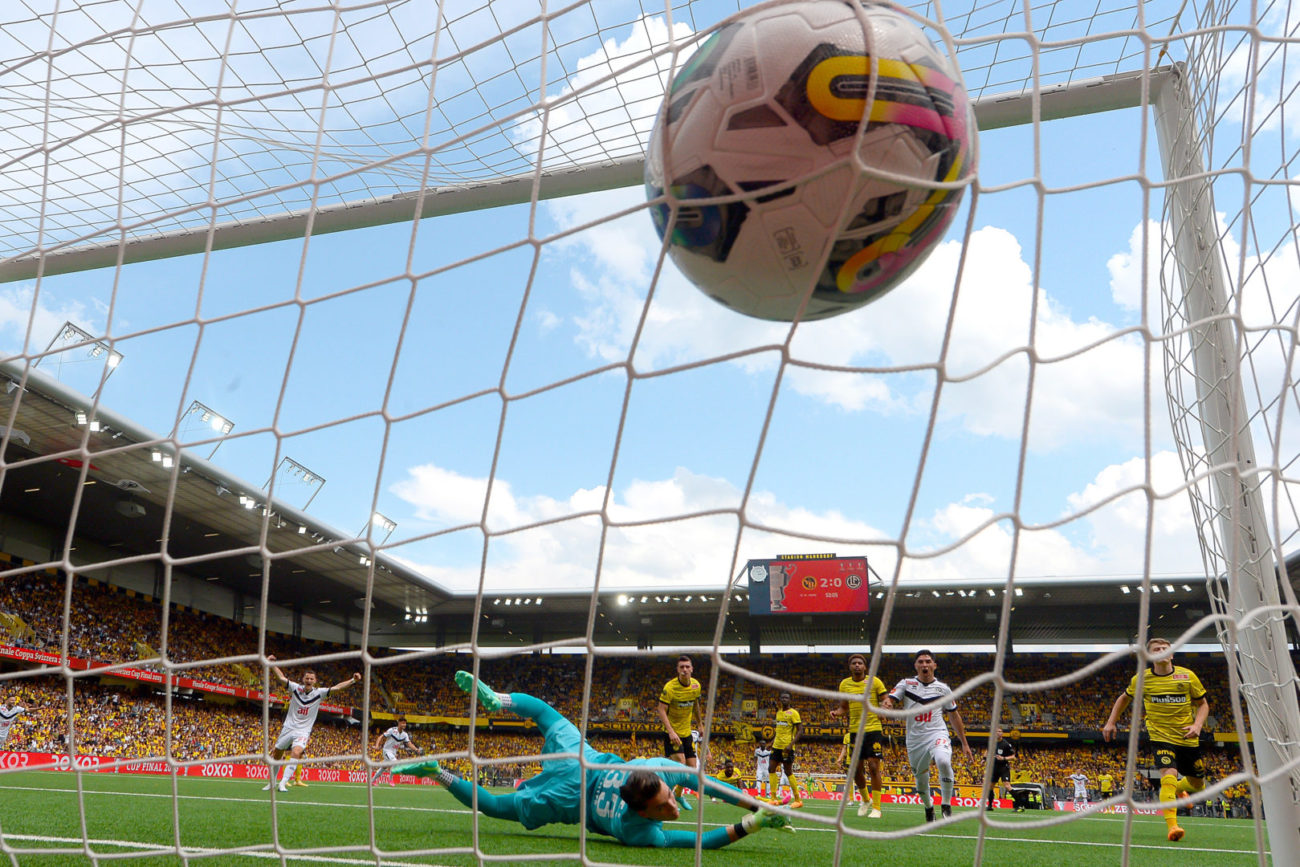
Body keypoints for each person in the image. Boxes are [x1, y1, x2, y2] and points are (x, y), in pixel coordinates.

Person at [396, 671, 794, 849]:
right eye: (664, 806)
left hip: (583, 760)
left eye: (670, 797)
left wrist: (759, 807)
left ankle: (493, 706)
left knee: (545, 717)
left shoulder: (658, 772)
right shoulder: (632, 829)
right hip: (571, 801)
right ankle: (439, 770)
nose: (674, 805)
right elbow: (699, 842)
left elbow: (708, 786)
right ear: (641, 810)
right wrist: (752, 822)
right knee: (496, 806)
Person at [1103, 636, 1209, 843]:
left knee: (1198, 785)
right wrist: (1111, 722)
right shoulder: (1141, 679)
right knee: (1168, 775)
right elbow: (1124, 698)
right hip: (1160, 736)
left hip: (1187, 738)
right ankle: (1173, 827)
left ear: (1171, 654)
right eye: (1156, 648)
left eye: (1164, 648)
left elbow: (1203, 704)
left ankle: (1179, 789)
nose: (1161, 650)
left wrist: (1197, 725)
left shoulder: (1187, 676)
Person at [882, 649, 972, 823]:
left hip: (937, 732)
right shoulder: (906, 684)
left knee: (943, 761)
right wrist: (887, 704)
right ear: (915, 665)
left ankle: (946, 803)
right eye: (921, 662)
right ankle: (928, 807)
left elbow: (954, 715)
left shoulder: (943, 689)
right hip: (915, 739)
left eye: (928, 661)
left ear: (934, 665)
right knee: (921, 779)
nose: (924, 664)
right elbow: (891, 699)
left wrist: (964, 743)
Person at [262, 656, 361, 792]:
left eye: (311, 679)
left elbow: (337, 688)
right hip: (288, 727)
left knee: (296, 752)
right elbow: (281, 678)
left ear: (315, 681)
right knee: (277, 754)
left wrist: (353, 680)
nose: (309, 681)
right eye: (307, 678)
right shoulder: (295, 688)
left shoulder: (319, 693)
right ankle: (272, 782)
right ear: (303, 679)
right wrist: (272, 665)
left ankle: (283, 783)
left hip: (303, 731)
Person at [828, 652, 887, 818]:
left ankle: (877, 808)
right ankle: (866, 800)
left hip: (873, 729)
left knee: (874, 767)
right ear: (850, 667)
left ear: (865, 666)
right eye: (854, 663)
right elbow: (844, 707)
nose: (857, 665)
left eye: (860, 663)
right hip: (855, 731)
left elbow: (885, 699)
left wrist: (884, 708)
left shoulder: (874, 681)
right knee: (855, 770)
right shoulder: (844, 685)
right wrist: (836, 713)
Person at [656, 655, 701, 810]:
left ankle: (678, 795)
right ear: (677, 669)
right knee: (680, 765)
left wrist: (700, 724)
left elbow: (696, 706)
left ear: (692, 669)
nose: (684, 669)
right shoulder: (670, 688)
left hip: (686, 733)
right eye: (681, 667)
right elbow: (661, 709)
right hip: (672, 733)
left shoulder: (696, 686)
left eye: (687, 666)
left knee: (691, 770)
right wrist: (670, 732)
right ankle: (662, 797)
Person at [770, 692, 805, 808]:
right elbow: (779, 730)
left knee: (788, 771)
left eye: (787, 698)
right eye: (782, 697)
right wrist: (772, 742)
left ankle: (798, 799)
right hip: (776, 746)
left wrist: (791, 744)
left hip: (786, 747)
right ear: (780, 699)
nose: (784, 699)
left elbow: (800, 730)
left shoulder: (794, 713)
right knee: (771, 769)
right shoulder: (779, 712)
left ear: (790, 700)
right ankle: (773, 797)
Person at [371, 716, 421, 786]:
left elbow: (409, 743)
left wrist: (416, 749)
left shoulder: (404, 734)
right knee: (395, 762)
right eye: (403, 723)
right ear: (399, 723)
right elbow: (381, 736)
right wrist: (377, 745)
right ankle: (390, 780)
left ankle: (372, 781)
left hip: (393, 753)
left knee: (383, 767)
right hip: (386, 751)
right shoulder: (392, 730)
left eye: (405, 723)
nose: (404, 725)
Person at [985, 726, 1015, 809]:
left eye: (999, 731)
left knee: (1007, 785)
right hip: (994, 768)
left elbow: (1013, 756)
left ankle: (1020, 804)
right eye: (996, 731)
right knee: (990, 786)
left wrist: (1004, 758)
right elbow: (987, 750)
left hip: (1003, 767)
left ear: (1002, 733)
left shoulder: (1006, 744)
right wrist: (984, 759)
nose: (998, 733)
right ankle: (990, 805)